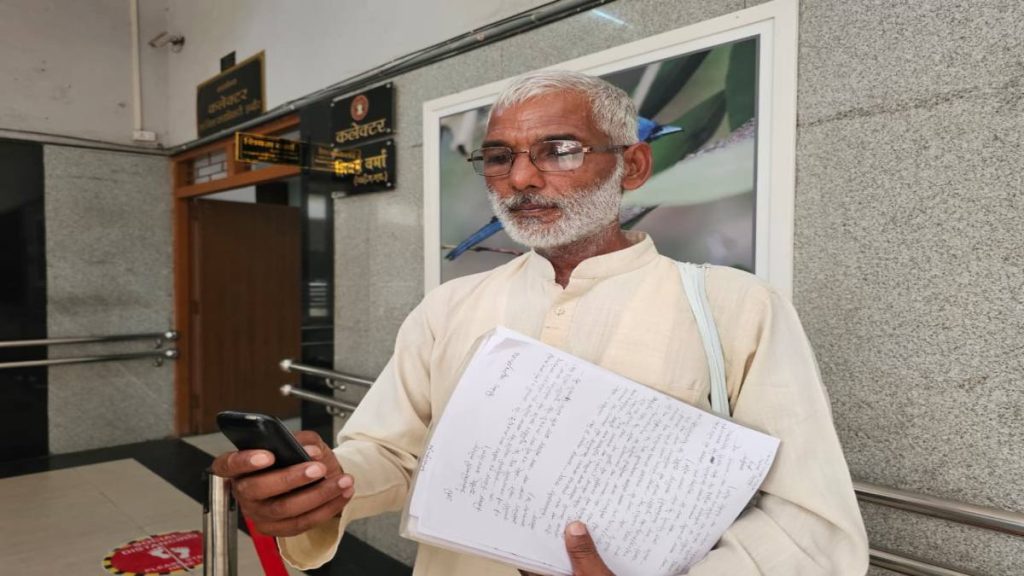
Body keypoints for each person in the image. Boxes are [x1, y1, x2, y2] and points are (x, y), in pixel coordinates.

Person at [212, 70, 869, 575]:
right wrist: (326, 487)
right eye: (499, 157)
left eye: (559, 150)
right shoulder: (449, 307)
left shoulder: (738, 309)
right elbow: (393, 452)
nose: (521, 178)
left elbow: (812, 530)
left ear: (633, 166)